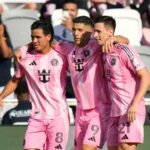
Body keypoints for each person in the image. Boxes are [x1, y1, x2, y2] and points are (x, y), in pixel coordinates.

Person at [14, 16, 129, 150]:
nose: (75, 33)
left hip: (100, 109)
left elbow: (125, 41)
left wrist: (114, 38)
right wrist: (23, 48)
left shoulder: (97, 46)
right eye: (74, 29)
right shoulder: (67, 48)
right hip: (80, 112)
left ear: (91, 31)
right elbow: (45, 40)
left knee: (88, 147)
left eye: (80, 30)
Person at [0, 20, 69, 150]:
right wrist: (1, 96)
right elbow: (15, 80)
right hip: (36, 118)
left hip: (58, 117)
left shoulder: (61, 57)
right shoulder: (26, 58)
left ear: (48, 37)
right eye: (32, 37)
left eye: (38, 37)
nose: (34, 40)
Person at [94, 15, 150, 150]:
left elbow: (146, 76)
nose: (95, 35)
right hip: (115, 112)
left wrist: (134, 104)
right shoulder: (103, 53)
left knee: (125, 147)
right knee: (112, 148)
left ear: (110, 33)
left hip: (130, 109)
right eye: (94, 31)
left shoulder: (124, 50)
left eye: (99, 31)